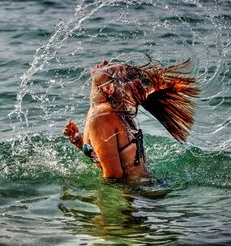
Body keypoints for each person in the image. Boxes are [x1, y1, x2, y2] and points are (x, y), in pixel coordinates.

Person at [63, 58, 200, 183]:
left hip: (139, 196)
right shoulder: (107, 111)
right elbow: (107, 156)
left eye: (110, 69)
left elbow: (113, 177)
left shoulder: (102, 116)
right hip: (144, 189)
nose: (105, 63)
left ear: (108, 88)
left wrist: (110, 207)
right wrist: (78, 141)